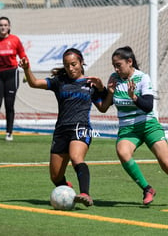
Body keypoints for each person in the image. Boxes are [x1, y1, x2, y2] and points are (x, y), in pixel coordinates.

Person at [99, 46, 168, 207]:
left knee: (166, 164)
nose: (116, 69)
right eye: (114, 65)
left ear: (129, 62)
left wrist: (133, 97)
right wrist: (109, 91)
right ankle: (147, 189)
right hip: (128, 129)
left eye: (118, 65)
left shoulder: (142, 78)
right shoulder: (114, 78)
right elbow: (103, 107)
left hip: (148, 125)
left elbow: (148, 106)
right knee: (122, 152)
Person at [19, 48, 107, 207]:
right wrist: (26, 69)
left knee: (76, 158)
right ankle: (67, 191)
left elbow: (104, 107)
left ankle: (85, 194)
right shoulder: (59, 82)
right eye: (67, 65)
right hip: (61, 130)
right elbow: (34, 83)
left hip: (80, 127)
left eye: (73, 64)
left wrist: (102, 88)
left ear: (81, 62)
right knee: (55, 176)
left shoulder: (90, 83)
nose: (71, 68)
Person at [0, 16, 28, 141]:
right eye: (1, 25)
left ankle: (9, 132)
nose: (3, 27)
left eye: (5, 25)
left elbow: (23, 55)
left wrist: (26, 71)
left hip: (11, 74)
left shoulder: (15, 40)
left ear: (9, 27)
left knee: (9, 104)